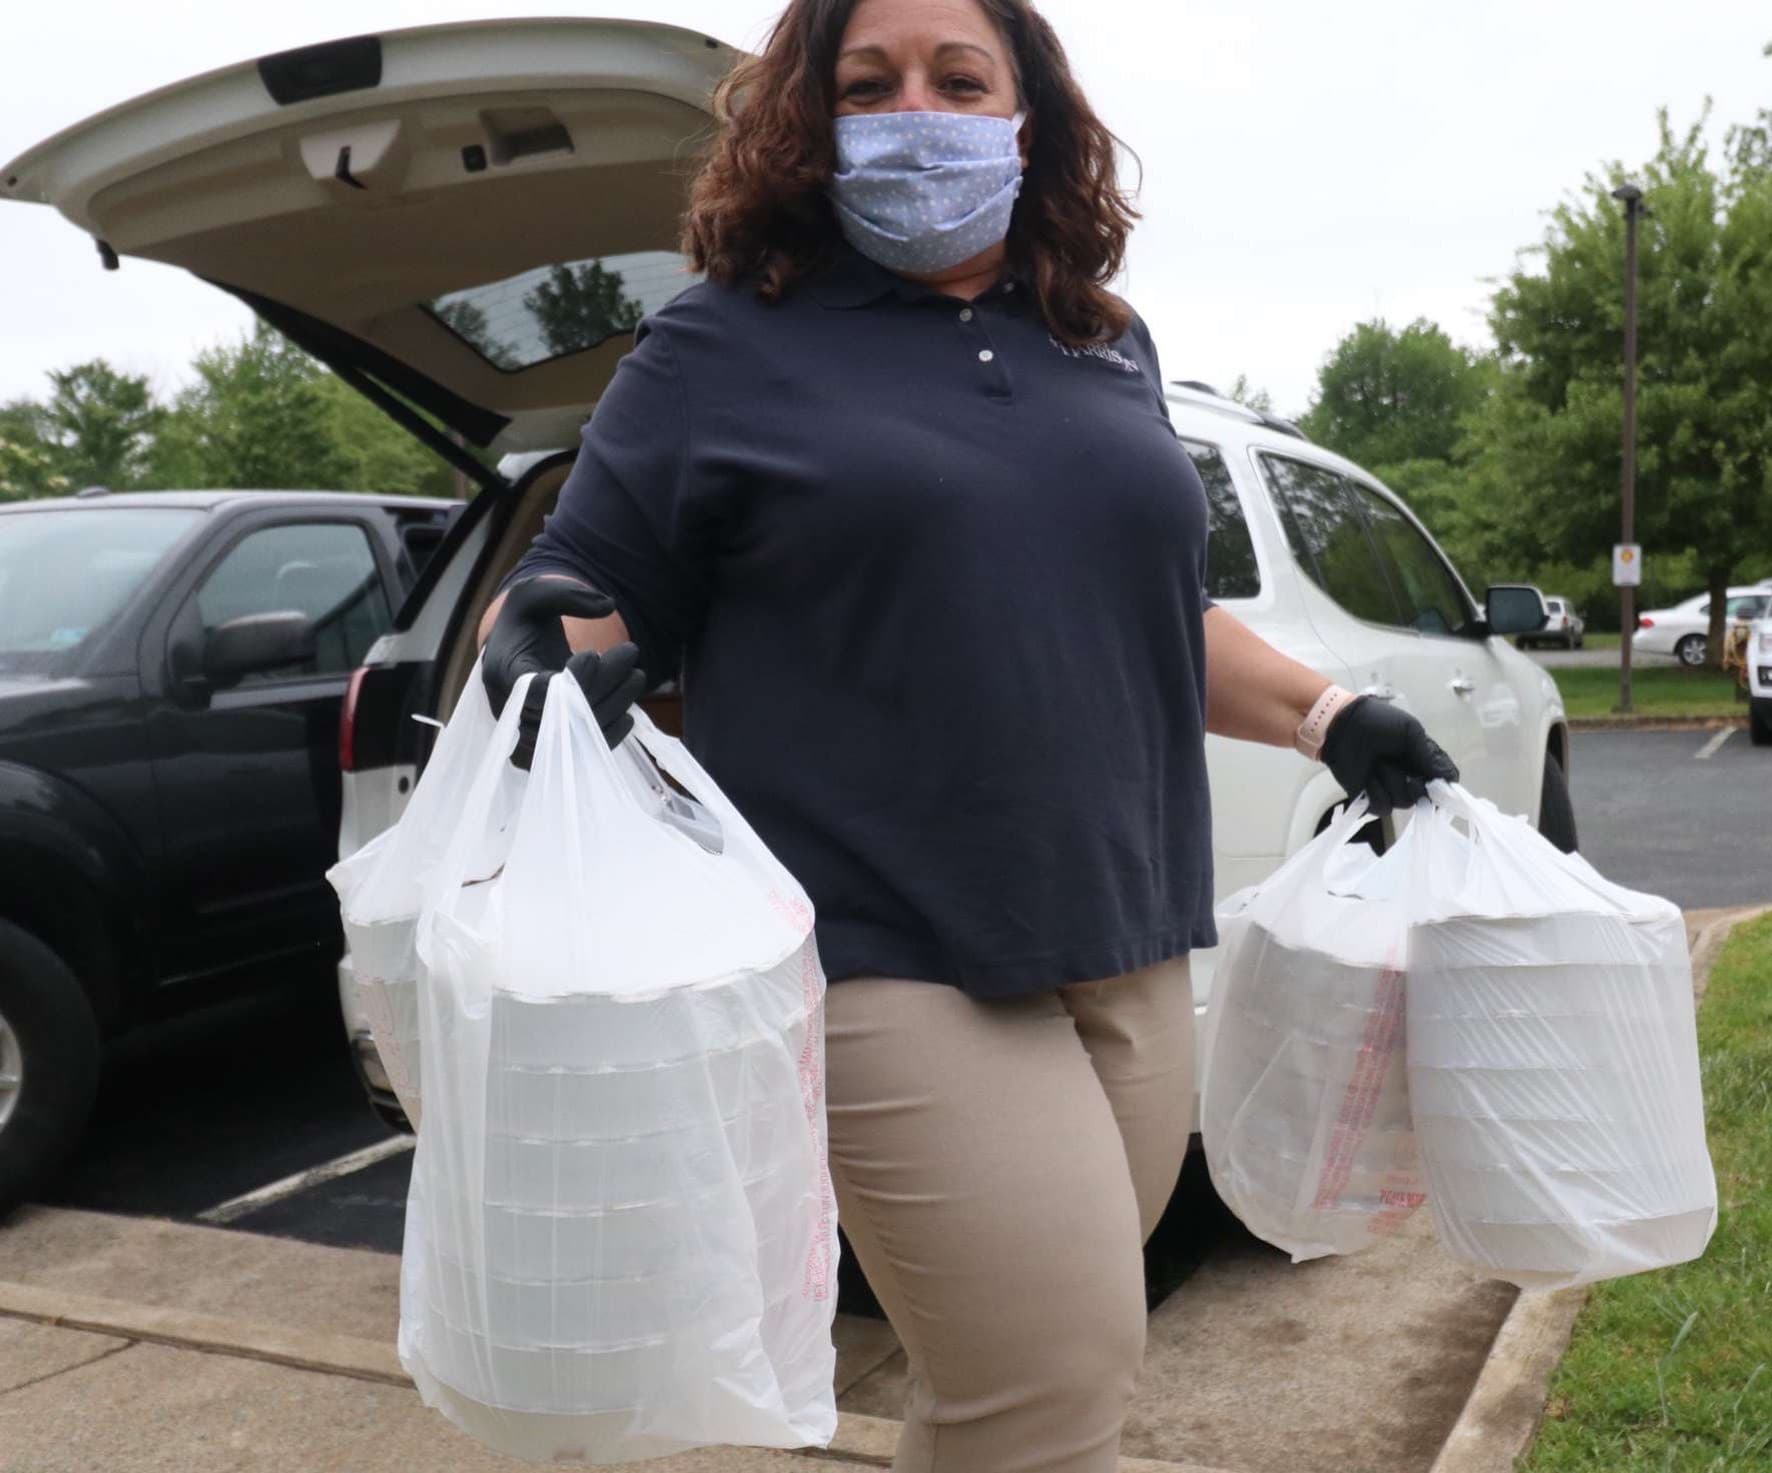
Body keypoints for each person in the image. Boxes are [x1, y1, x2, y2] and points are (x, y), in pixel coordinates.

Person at [474, 1, 1457, 1467]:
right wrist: (534, 650)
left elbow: (1144, 613)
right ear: (812, 117)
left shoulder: (1101, 339)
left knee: (1006, 1383)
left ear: (1026, 114)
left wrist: (1329, 713)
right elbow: (586, 601)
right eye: (868, 83)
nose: (913, 107)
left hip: (1125, 929)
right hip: (884, 947)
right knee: (1051, 1384)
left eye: (957, 75)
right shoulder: (721, 344)